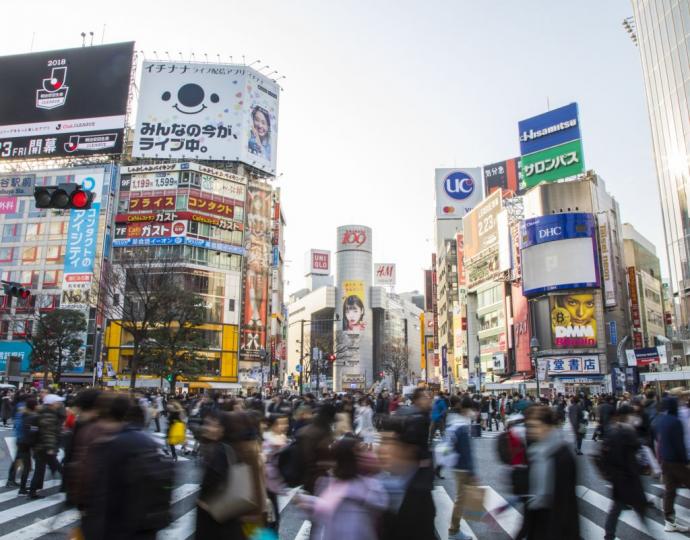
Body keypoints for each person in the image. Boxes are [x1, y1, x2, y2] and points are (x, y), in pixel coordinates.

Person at [521, 405, 579, 539]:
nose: (530, 431)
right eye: (528, 426)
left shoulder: (563, 454)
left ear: (547, 426)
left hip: (557, 526)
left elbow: (566, 501)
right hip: (539, 522)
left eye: (534, 426)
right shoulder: (535, 451)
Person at [602, 406, 650, 540]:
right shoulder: (627, 432)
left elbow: (606, 456)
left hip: (618, 479)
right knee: (639, 508)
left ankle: (609, 536)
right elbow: (636, 453)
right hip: (629, 477)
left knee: (616, 510)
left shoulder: (612, 431)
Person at [652, 396, 690, 532]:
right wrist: (685, 461)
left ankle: (669, 522)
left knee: (670, 491)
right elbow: (679, 444)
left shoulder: (660, 421)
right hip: (677, 461)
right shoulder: (675, 421)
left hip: (665, 461)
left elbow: (658, 441)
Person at [446, 396, 476, 540]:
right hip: (463, 467)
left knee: (462, 498)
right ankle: (454, 531)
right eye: (471, 409)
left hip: (456, 465)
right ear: (466, 409)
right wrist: (472, 471)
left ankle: (455, 529)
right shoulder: (462, 426)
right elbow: (466, 452)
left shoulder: (454, 420)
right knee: (461, 499)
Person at [29, 394, 64, 499]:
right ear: (52, 403)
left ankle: (32, 491)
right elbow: (48, 433)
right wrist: (50, 448)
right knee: (57, 468)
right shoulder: (49, 415)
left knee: (42, 469)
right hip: (45, 448)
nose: (60, 404)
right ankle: (70, 487)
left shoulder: (45, 412)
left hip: (40, 447)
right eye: (58, 402)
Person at [262, 414, 289, 533]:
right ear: (272, 425)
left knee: (272, 519)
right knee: (270, 520)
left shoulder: (281, 438)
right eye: (280, 423)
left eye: (286, 423)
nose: (284, 426)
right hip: (266, 484)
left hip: (273, 484)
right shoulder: (267, 441)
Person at [7, 397, 37, 493]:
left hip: (20, 440)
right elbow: (30, 430)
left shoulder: (22, 412)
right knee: (26, 465)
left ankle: (11, 480)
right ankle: (22, 488)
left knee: (18, 461)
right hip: (24, 442)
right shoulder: (28, 415)